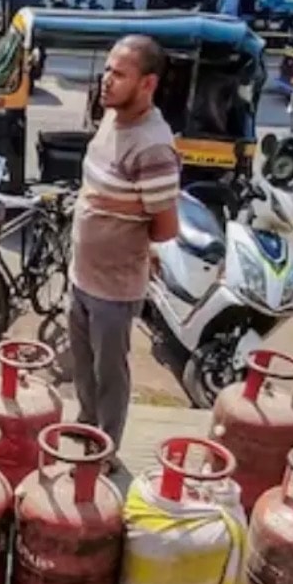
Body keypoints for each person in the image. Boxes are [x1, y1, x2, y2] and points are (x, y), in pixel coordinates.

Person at [69, 35, 180, 458]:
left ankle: (106, 451)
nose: (107, 80)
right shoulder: (112, 117)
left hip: (114, 289)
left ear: (147, 84)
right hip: (82, 275)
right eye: (107, 69)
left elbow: (166, 229)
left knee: (109, 375)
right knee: (83, 370)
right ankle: (86, 430)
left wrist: (118, 205)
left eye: (119, 74)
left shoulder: (153, 144)